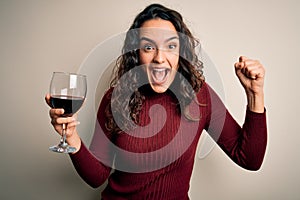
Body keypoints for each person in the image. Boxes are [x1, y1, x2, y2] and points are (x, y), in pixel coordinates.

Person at [45, 4, 267, 200]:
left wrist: (254, 94)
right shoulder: (115, 98)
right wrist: (71, 137)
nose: (159, 58)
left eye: (170, 46)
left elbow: (249, 159)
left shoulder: (200, 96)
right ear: (136, 53)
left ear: (181, 53)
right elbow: (97, 177)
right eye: (149, 47)